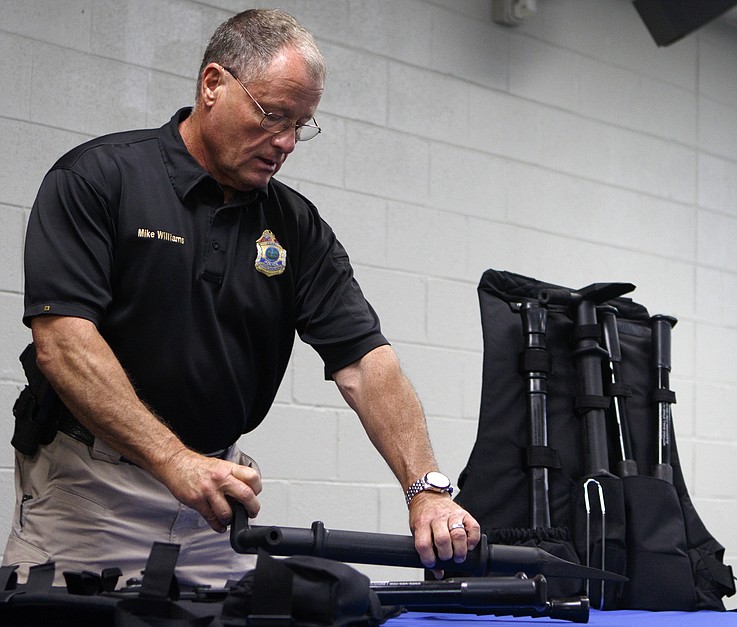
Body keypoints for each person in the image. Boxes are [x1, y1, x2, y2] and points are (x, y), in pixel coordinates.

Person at [3, 8, 479, 588]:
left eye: (301, 125)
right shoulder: (100, 179)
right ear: (213, 84)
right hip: (92, 494)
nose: (284, 142)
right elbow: (63, 344)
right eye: (273, 115)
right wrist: (175, 461)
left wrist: (426, 489)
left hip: (215, 498)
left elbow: (366, 362)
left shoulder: (296, 226)